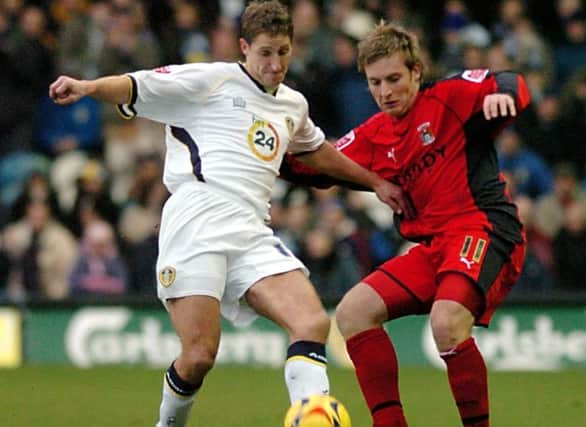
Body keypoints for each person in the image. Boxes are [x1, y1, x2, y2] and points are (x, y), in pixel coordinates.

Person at [49, 2, 411, 427]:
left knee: (311, 321)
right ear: (244, 48)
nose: (274, 64)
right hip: (196, 216)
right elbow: (135, 85)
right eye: (264, 53)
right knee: (200, 355)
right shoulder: (210, 79)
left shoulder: (292, 105)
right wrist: (88, 87)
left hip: (251, 227)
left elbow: (316, 152)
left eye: (282, 52)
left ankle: (313, 419)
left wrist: (375, 182)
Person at [280, 23, 530, 427]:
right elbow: (315, 164)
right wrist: (269, 142)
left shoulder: (449, 98)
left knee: (446, 323)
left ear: (416, 72)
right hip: (433, 249)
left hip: (482, 229)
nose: (385, 91)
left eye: (394, 79)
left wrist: (503, 95)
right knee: (352, 312)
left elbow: (510, 82)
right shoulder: (374, 135)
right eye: (375, 83)